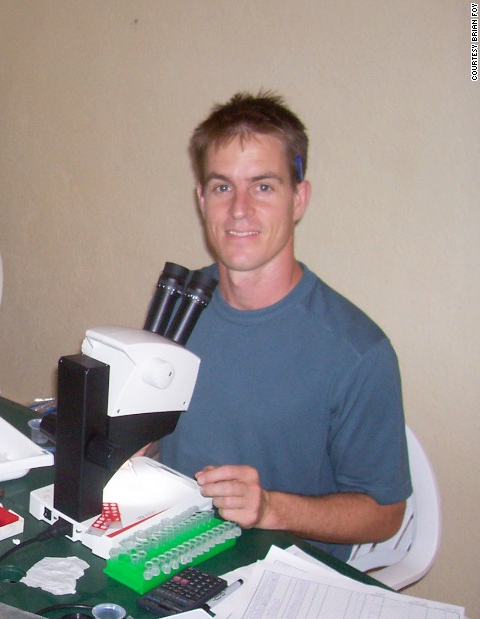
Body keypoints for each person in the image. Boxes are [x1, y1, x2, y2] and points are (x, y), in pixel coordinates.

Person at [157, 91, 411, 561]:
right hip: (165, 550)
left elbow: (385, 512)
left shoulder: (358, 352)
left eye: (264, 187)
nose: (239, 210)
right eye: (222, 187)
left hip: (279, 574)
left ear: (300, 198)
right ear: (201, 199)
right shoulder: (179, 303)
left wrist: (271, 508)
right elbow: (156, 428)